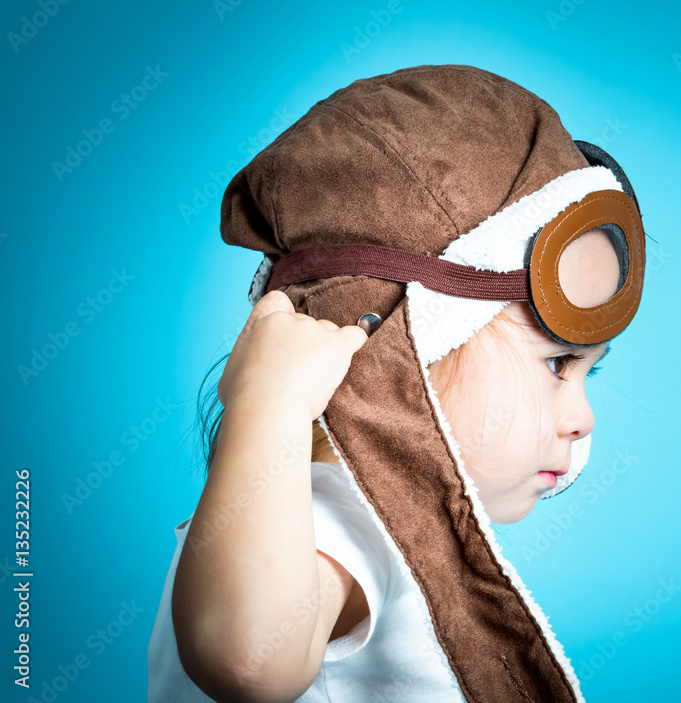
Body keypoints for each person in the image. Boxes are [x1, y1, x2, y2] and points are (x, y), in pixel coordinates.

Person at [147, 63, 648, 703]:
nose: (584, 418)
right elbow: (247, 662)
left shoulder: (298, 516)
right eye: (557, 365)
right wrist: (267, 402)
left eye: (588, 371)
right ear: (405, 354)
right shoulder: (334, 522)